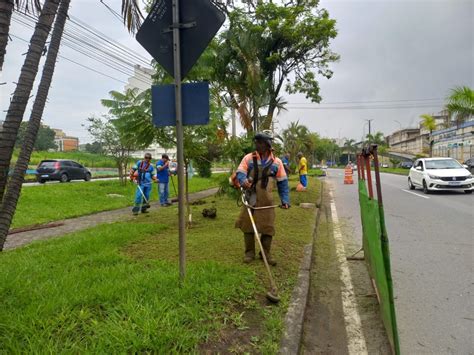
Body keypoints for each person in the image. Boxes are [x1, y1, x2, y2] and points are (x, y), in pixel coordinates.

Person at [235, 132, 290, 265]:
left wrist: (285, 200)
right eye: (256, 142)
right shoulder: (248, 158)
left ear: (268, 144)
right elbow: (240, 172)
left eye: (260, 142)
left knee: (268, 227)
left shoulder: (277, 162)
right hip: (251, 198)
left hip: (267, 200)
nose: (257, 145)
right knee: (247, 226)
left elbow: (283, 182)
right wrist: (243, 181)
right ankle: (249, 253)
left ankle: (265, 253)